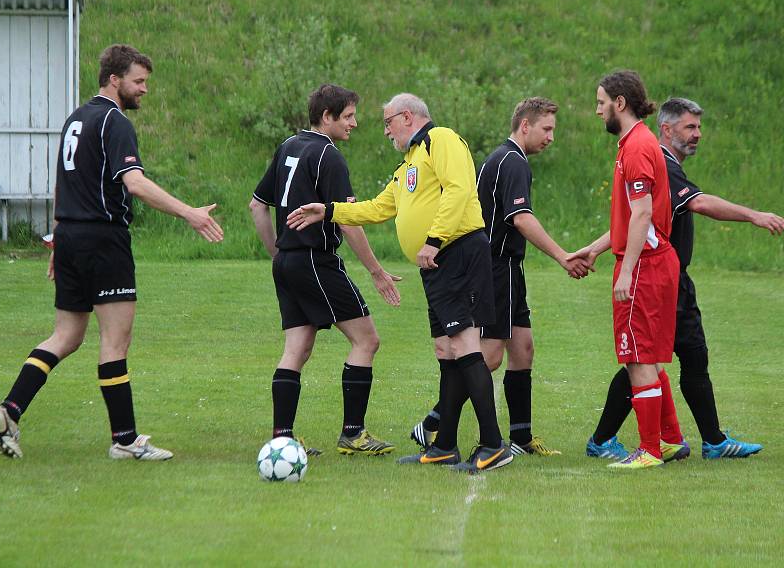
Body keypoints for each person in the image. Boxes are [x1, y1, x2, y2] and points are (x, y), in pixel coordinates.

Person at [0, 44, 223, 461]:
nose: (144, 89)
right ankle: (126, 440)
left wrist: (57, 241)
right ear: (115, 80)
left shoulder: (75, 119)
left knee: (66, 335)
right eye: (139, 81)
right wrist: (189, 214)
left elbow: (63, 183)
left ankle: (9, 410)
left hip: (72, 238)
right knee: (115, 341)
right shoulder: (114, 122)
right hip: (102, 241)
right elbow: (134, 183)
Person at [287, 93, 513, 473]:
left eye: (387, 122)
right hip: (438, 262)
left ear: (407, 117)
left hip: (456, 253)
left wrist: (434, 238)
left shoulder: (442, 140)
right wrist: (327, 210)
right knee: (446, 349)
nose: (385, 130)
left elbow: (459, 189)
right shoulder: (408, 162)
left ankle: (493, 445)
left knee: (464, 342)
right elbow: (378, 207)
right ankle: (444, 446)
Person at [585, 97, 782, 460]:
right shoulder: (658, 159)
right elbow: (696, 204)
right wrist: (754, 215)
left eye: (699, 128)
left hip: (673, 277)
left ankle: (711, 441)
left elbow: (636, 219)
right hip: (657, 276)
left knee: (682, 357)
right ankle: (611, 440)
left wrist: (594, 248)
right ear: (667, 128)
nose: (697, 135)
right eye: (690, 127)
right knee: (644, 360)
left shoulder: (657, 159)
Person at [409, 97, 590, 457]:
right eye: (547, 128)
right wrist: (562, 256)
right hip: (494, 267)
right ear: (525, 125)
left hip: (509, 268)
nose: (551, 137)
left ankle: (521, 439)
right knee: (488, 357)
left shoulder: (507, 159)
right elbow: (520, 218)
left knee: (522, 350)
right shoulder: (511, 162)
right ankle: (434, 422)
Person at [250, 84, 399, 457]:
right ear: (327, 117)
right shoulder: (328, 156)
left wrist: (277, 252)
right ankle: (353, 434)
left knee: (296, 348)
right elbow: (348, 222)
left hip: (287, 262)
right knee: (367, 340)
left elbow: (257, 205)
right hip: (316, 260)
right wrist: (377, 272)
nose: (355, 123)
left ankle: (282, 438)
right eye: (348, 116)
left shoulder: (288, 146)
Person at [570, 70, 685, 469]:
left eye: (601, 102)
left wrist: (626, 270)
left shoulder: (636, 147)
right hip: (655, 261)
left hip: (647, 267)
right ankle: (669, 440)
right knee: (648, 356)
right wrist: (596, 249)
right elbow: (633, 218)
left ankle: (649, 450)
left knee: (637, 358)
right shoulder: (636, 143)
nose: (598, 109)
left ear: (620, 103)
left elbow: (641, 215)